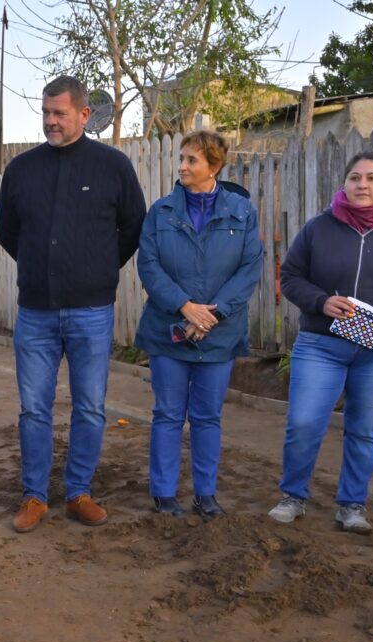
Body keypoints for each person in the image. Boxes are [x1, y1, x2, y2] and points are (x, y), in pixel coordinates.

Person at [0, 75, 146, 533]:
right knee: (34, 409)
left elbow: (133, 229)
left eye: (59, 113)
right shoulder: (22, 170)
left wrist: (96, 270)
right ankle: (35, 496)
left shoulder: (113, 166)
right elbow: (8, 232)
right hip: (36, 312)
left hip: (91, 311)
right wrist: (44, 267)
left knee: (90, 406)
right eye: (45, 112)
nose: (50, 121)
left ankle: (79, 492)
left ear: (84, 114)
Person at [268, 151, 373, 534]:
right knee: (304, 422)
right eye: (355, 177)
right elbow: (291, 276)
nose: (362, 185)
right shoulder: (319, 228)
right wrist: (320, 301)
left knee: (364, 428)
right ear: (344, 183)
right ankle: (293, 497)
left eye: (372, 178)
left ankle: (352, 506)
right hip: (321, 345)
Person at [134, 131, 263, 519]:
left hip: (218, 334)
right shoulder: (161, 212)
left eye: (192, 160)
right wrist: (185, 307)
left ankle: (206, 494)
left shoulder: (242, 212)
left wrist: (213, 314)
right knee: (169, 413)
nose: (183, 167)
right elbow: (149, 266)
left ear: (215, 167)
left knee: (208, 416)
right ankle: (164, 493)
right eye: (182, 159)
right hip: (168, 328)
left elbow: (249, 268)